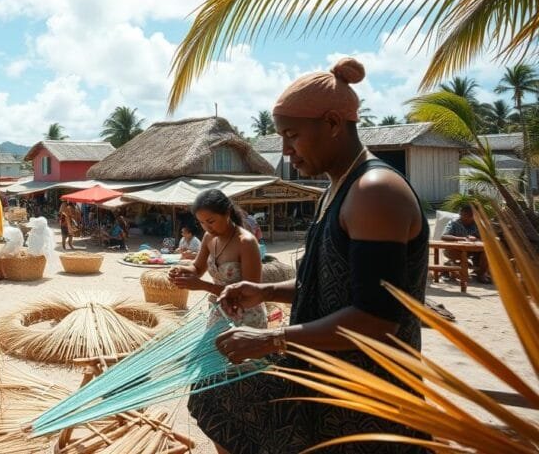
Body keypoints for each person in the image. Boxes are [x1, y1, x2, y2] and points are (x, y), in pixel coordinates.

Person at [188, 58, 428, 453]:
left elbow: (376, 317)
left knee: (221, 397)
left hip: (365, 401)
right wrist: (263, 291)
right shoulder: (337, 190)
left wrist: (272, 338)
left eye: (292, 135)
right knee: (213, 394)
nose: (285, 150)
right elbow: (326, 286)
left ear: (333, 123)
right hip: (324, 379)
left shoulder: (374, 192)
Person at [170, 191, 266, 327]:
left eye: (211, 221)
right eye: (201, 223)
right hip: (219, 311)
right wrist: (182, 270)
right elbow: (197, 268)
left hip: (245, 315)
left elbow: (251, 292)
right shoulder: (209, 238)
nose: (207, 227)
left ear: (227, 213)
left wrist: (203, 286)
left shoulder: (246, 242)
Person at [441, 205, 490, 284]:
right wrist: (461, 238)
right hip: (455, 250)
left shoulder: (478, 224)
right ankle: (450, 266)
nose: (462, 217)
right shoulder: (454, 222)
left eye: (465, 216)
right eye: (461, 215)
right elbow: (444, 236)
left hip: (473, 250)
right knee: (457, 256)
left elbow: (487, 238)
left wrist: (476, 238)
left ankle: (481, 274)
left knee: (487, 253)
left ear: (472, 217)